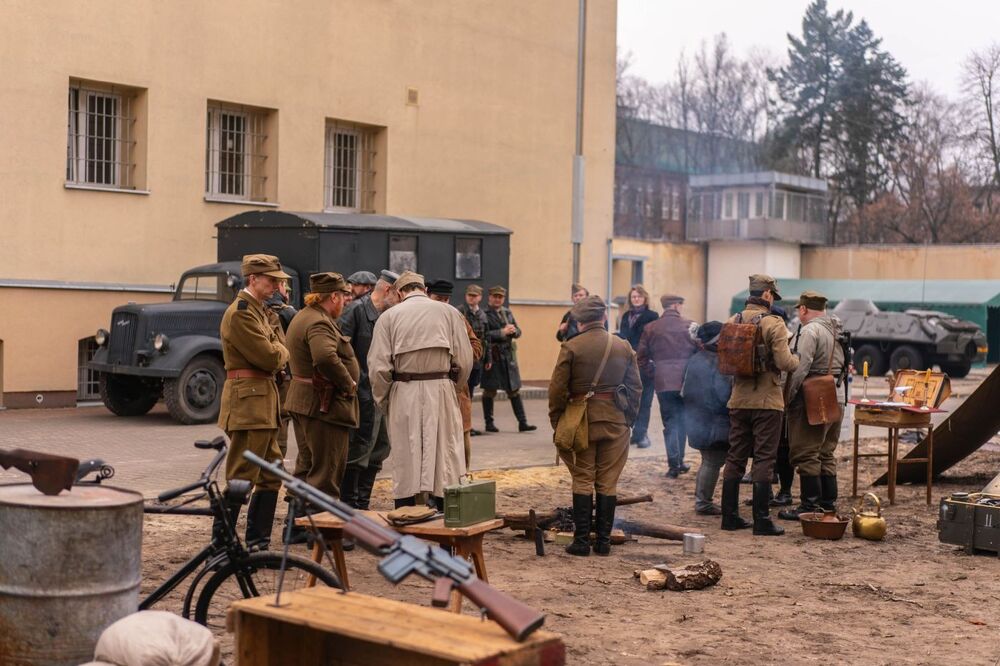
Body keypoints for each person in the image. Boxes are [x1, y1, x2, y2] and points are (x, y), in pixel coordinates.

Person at [368, 271, 473, 508]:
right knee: (444, 456)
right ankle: (445, 523)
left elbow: (378, 367)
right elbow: (465, 360)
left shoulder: (389, 317)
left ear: (399, 292)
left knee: (406, 456)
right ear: (424, 289)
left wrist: (384, 399)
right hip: (442, 389)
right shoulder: (450, 313)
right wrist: (452, 387)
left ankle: (405, 516)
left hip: (404, 390)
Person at [549, 295, 642, 556]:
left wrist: (558, 422)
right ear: (603, 318)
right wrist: (630, 420)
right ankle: (603, 542)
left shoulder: (571, 347)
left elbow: (556, 390)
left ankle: (581, 542)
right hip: (616, 421)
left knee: (582, 478)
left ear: (578, 322)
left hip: (580, 423)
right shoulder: (623, 346)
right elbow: (636, 388)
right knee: (607, 481)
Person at [217, 254, 291, 548]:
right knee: (241, 477)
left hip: (262, 403)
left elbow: (279, 348)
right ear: (253, 279)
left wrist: (279, 350)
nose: (276, 285)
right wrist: (279, 352)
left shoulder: (259, 311)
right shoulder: (242, 313)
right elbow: (272, 356)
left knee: (271, 474)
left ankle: (257, 544)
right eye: (271, 280)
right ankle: (221, 546)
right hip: (249, 405)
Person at [720, 274, 799, 537]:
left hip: (738, 400)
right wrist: (798, 360)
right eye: (773, 295)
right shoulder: (773, 323)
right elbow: (786, 362)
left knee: (735, 457)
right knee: (765, 458)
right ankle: (762, 520)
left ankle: (729, 516)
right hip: (767, 402)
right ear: (767, 294)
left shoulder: (732, 320)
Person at [283, 272, 359, 506]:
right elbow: (325, 357)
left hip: (307, 402)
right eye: (343, 296)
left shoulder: (304, 316)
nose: (346, 301)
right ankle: (324, 536)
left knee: (307, 468)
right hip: (322, 406)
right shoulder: (318, 321)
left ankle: (296, 527)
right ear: (333, 296)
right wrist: (348, 383)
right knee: (326, 473)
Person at [778, 290, 845, 520]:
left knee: (806, 453)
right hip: (837, 395)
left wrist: (786, 398)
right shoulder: (837, 328)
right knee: (826, 452)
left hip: (813, 396)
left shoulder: (810, 330)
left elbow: (800, 367)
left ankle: (809, 506)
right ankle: (828, 504)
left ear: (804, 309)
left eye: (800, 310)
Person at [338, 269, 399, 510]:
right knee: (358, 451)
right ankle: (348, 509)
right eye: (398, 294)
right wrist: (350, 385)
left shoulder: (388, 315)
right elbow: (340, 351)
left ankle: (362, 505)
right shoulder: (356, 310)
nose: (400, 300)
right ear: (387, 291)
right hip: (360, 394)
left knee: (379, 450)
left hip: (380, 394)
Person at [636, 293, 697, 478]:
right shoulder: (690, 326)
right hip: (686, 381)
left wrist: (654, 373)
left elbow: (641, 357)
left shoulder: (651, 327)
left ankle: (674, 464)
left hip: (663, 382)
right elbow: (700, 350)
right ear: (677, 306)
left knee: (670, 422)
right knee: (684, 421)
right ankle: (679, 461)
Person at [428, 279, 484, 469]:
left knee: (462, 432)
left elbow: (476, 346)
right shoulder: (420, 317)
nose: (442, 303)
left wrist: (459, 357)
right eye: (438, 298)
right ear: (428, 296)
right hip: (429, 387)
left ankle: (463, 476)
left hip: (456, 385)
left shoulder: (458, 317)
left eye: (446, 299)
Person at [681, 321, 732, 515]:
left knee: (709, 461)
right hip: (713, 422)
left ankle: (702, 499)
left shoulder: (697, 358)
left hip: (699, 419)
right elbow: (722, 395)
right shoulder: (717, 361)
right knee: (712, 462)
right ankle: (703, 502)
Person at [482, 286, 537, 433]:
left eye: (500, 297)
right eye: (495, 296)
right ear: (489, 297)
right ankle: (489, 423)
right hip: (492, 356)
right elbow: (483, 335)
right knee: (489, 390)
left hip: (508, 357)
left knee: (514, 390)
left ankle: (522, 423)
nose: (497, 299)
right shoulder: (484, 314)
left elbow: (518, 331)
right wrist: (502, 332)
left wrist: (514, 331)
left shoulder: (507, 313)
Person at [616, 284, 659, 448]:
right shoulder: (626, 315)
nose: (636, 299)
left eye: (639, 296)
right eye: (633, 297)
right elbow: (623, 337)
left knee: (645, 400)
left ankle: (641, 434)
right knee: (629, 399)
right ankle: (634, 432)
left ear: (645, 298)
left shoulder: (652, 315)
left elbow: (654, 340)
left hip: (645, 362)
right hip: (627, 363)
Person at [264, 280, 297, 459]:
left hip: (266, 374)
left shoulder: (259, 310)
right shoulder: (288, 312)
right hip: (285, 373)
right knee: (282, 416)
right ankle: (278, 458)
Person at [458, 284, 490, 437]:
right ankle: (464, 425)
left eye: (475, 296)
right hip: (465, 359)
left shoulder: (483, 315)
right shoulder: (459, 312)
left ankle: (467, 424)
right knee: (463, 394)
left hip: (477, 360)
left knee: (470, 392)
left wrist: (488, 358)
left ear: (480, 297)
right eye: (470, 295)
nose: (472, 298)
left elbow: (486, 338)